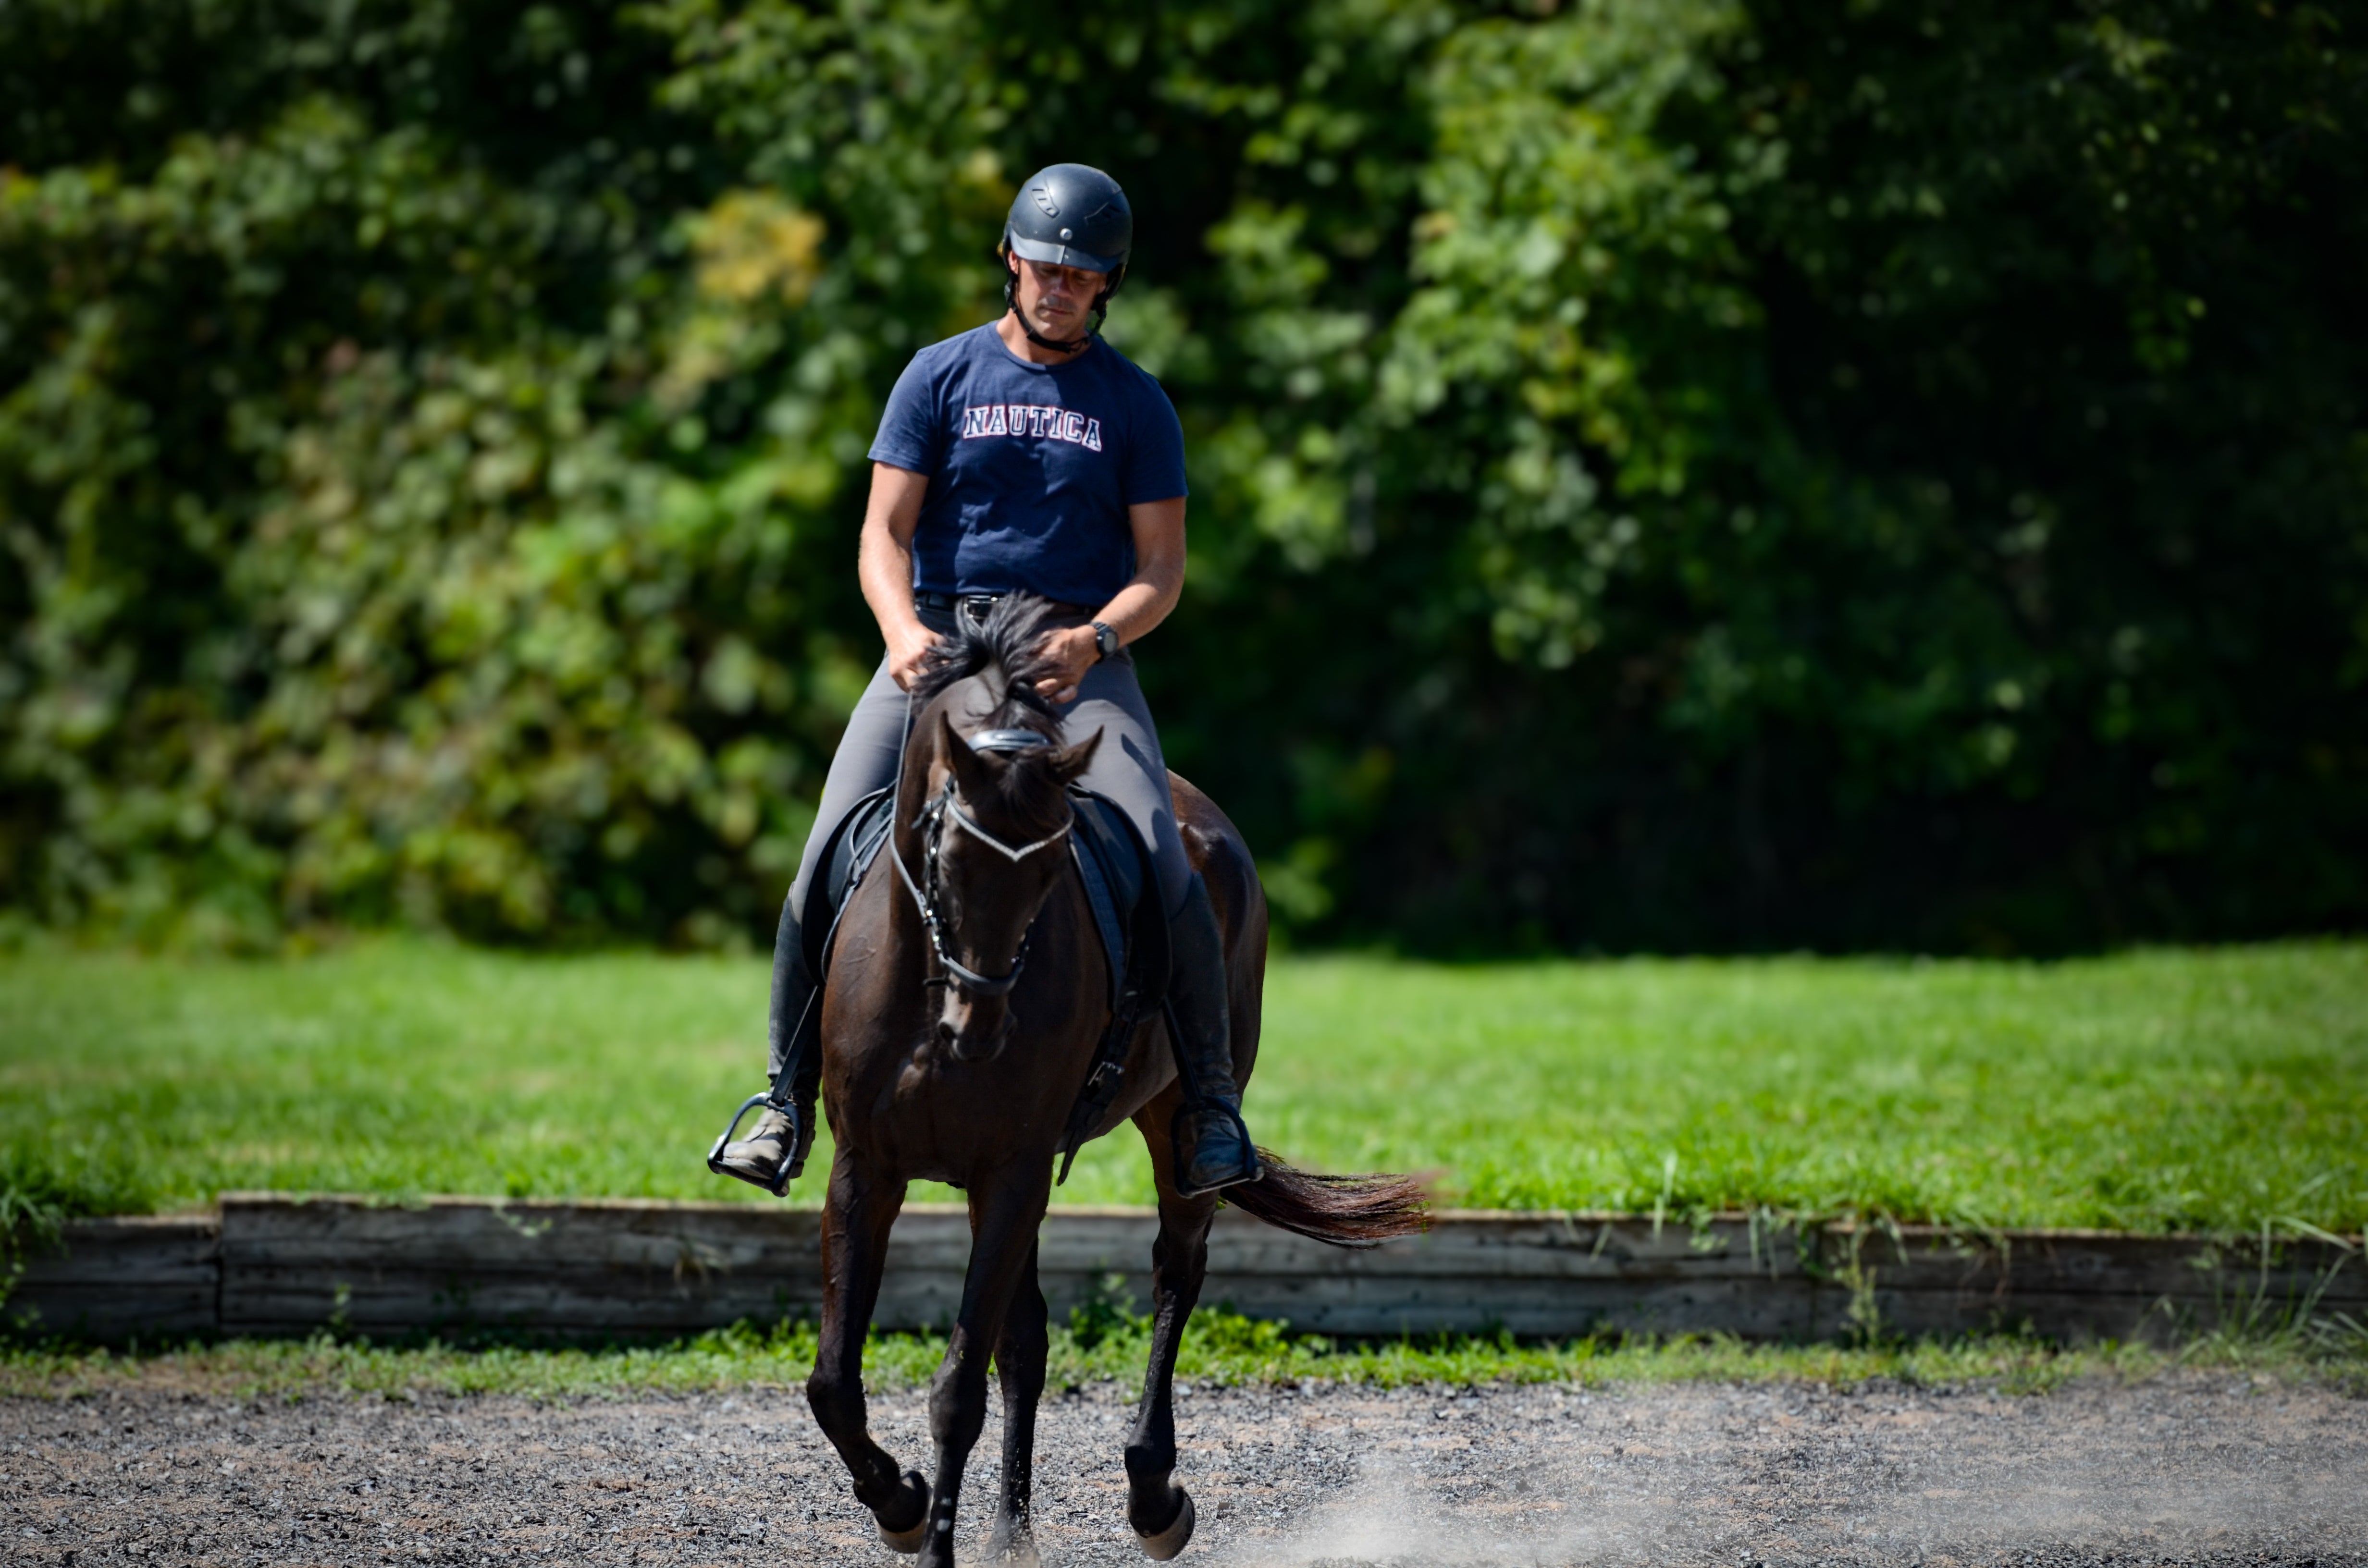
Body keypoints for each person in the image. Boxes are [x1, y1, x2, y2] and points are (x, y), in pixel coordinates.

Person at [710, 163, 1260, 1200]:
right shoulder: (938, 376)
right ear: (1010, 260)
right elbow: (883, 532)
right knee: (824, 851)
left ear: (1108, 285)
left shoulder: (1135, 404)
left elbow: (1162, 572)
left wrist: (1094, 639)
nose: (1058, 285)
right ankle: (781, 1104)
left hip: (1073, 656)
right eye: (1044, 265)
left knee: (1162, 852)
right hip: (943, 646)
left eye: (1080, 274)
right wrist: (899, 627)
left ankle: (1214, 1108)